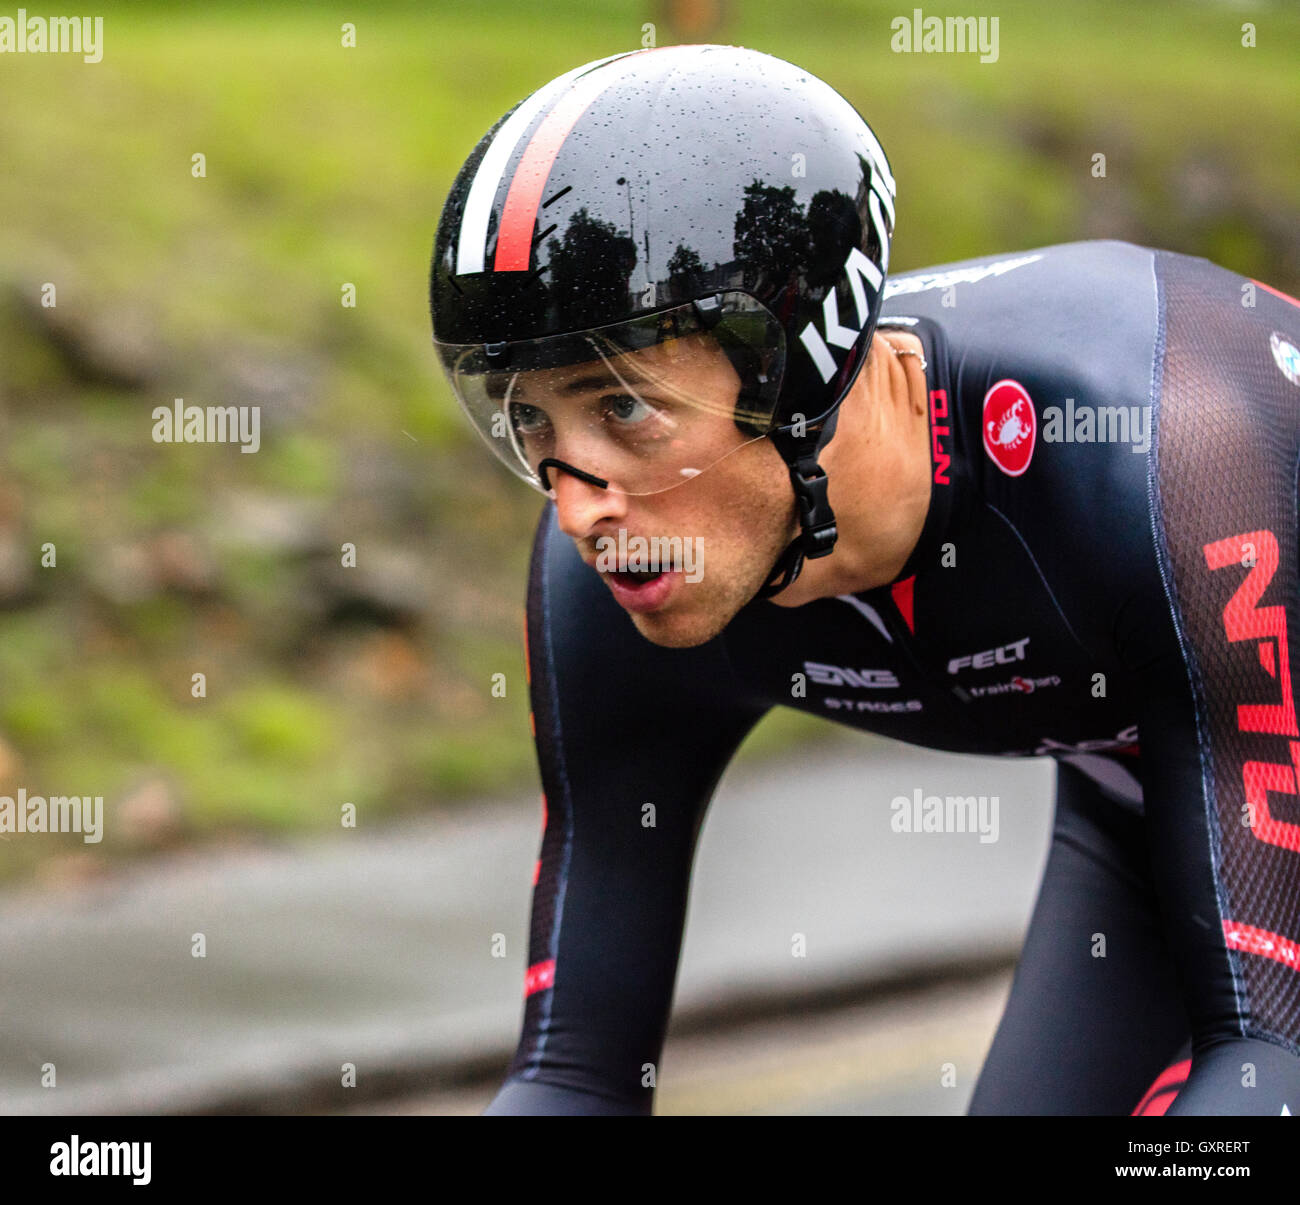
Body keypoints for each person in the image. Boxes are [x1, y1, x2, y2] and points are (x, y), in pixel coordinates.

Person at [429, 43, 1300, 1115]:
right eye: (530, 423)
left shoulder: (1156, 447)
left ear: (792, 365)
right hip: (1150, 787)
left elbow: (1272, 1058)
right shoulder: (606, 571)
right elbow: (569, 1078)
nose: (576, 507)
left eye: (620, 408)